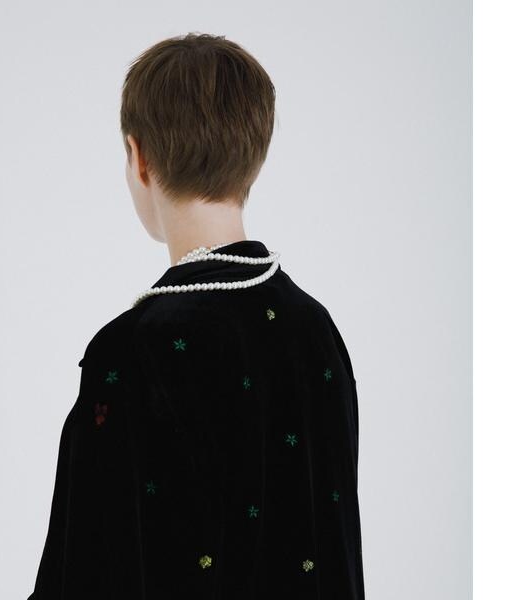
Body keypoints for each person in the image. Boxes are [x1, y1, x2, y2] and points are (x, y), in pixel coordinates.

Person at [27, 32, 365, 599]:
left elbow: (83, 571)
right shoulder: (317, 331)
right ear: (256, 154)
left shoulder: (131, 352)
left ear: (138, 157)